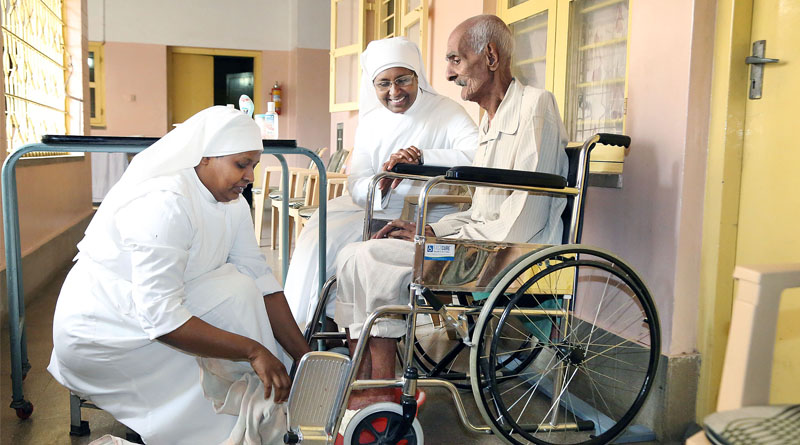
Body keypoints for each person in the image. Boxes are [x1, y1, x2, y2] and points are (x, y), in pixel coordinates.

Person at [334, 14, 569, 409]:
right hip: (478, 243)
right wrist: (426, 229)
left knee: (371, 258)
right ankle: (369, 386)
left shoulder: (534, 107)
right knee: (352, 254)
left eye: (455, 60)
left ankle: (381, 391)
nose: (447, 73)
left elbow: (523, 218)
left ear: (490, 56)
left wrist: (442, 241)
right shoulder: (493, 121)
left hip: (506, 253)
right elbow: (481, 211)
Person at [48, 106, 311, 444]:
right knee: (221, 419)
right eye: (241, 164)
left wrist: (304, 357)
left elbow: (261, 280)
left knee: (240, 288)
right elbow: (161, 317)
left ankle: (258, 410)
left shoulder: (232, 203)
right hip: (105, 331)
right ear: (204, 158)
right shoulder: (166, 203)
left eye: (254, 165)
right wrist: (253, 351)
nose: (250, 177)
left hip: (152, 314)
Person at [284, 37, 478, 331]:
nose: (394, 91)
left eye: (402, 80)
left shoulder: (447, 112)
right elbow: (358, 181)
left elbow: (479, 156)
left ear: (417, 76)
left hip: (429, 214)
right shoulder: (371, 122)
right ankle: (313, 326)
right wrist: (383, 186)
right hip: (372, 207)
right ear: (373, 86)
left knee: (336, 248)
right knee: (318, 241)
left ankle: (345, 327)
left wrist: (422, 158)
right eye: (383, 84)